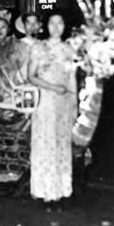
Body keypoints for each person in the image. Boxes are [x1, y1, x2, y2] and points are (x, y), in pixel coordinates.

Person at [29, 13, 77, 208]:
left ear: (65, 25)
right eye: (52, 23)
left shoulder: (69, 50)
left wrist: (74, 107)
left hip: (63, 104)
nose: (56, 27)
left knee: (61, 145)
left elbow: (72, 79)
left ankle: (60, 191)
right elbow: (31, 76)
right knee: (45, 144)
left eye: (60, 22)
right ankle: (45, 192)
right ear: (45, 25)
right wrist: (52, 87)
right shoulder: (39, 48)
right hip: (45, 103)